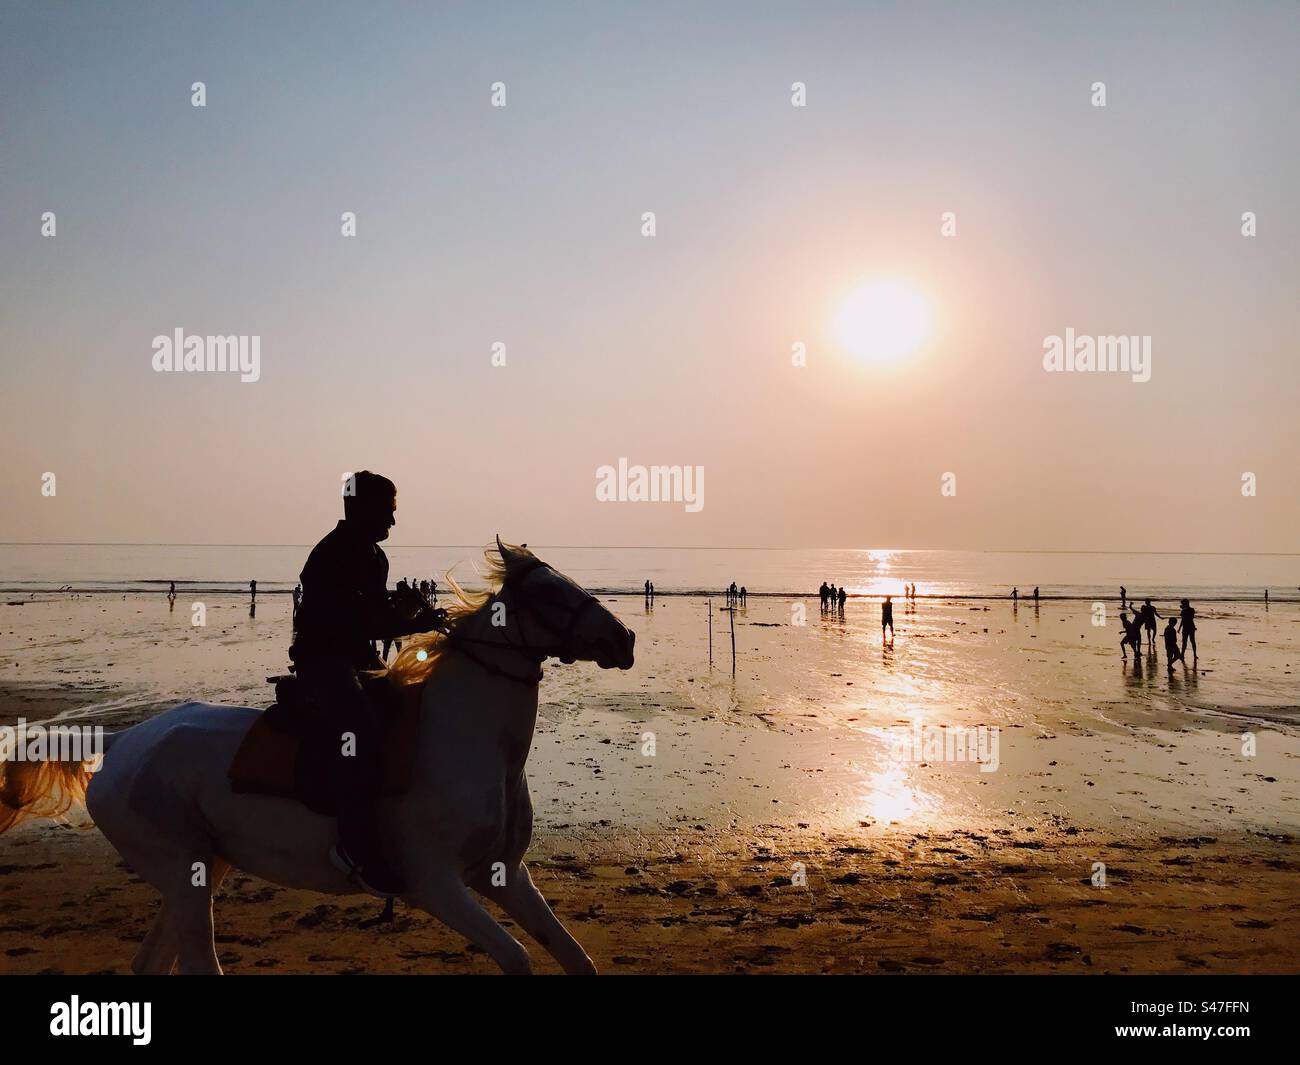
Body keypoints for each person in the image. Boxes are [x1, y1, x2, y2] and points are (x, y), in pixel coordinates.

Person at [290, 470, 441, 897]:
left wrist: (406, 612)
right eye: (388, 512)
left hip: (358, 657)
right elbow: (358, 619)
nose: (393, 523)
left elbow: (374, 613)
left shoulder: (374, 555)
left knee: (415, 707)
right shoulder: (331, 553)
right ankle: (353, 848)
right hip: (324, 660)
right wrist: (416, 621)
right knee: (357, 727)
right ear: (359, 508)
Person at [1178, 599, 1198, 665]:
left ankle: (1194, 654)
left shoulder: (1190, 610)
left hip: (1189, 627)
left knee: (1192, 641)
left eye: (1183, 603)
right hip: (1188, 627)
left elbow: (1189, 618)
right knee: (1185, 642)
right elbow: (1182, 619)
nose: (1182, 605)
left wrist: (1184, 610)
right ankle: (1182, 654)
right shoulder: (1189, 610)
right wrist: (1179, 628)